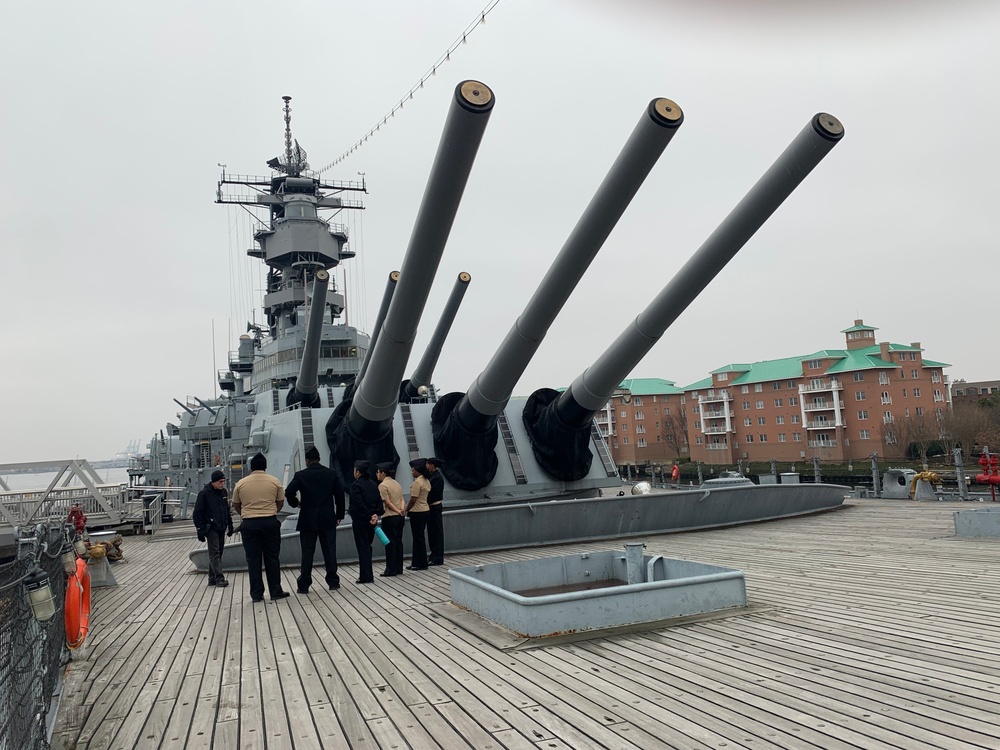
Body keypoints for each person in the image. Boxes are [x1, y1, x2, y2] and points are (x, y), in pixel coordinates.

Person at [285, 445, 345, 594]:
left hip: (307, 519)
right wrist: (339, 516)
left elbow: (289, 492)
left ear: (307, 460)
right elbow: (339, 496)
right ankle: (333, 582)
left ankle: (304, 584)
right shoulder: (331, 474)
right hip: (327, 518)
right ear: (319, 459)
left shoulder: (300, 475)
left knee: (307, 553)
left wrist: (297, 504)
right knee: (330, 551)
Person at [232, 452, 289, 602]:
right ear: (265, 466)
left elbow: (236, 504)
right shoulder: (274, 482)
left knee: (253, 559)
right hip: (270, 522)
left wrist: (246, 514)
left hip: (249, 523)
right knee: (272, 558)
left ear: (251, 467)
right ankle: (276, 591)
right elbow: (280, 502)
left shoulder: (241, 484)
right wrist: (270, 511)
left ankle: (256, 594)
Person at [192, 469, 234, 587]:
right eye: (220, 482)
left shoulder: (223, 493)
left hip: (221, 526)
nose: (222, 484)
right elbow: (197, 513)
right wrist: (200, 529)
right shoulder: (204, 494)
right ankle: (219, 578)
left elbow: (226, 510)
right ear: (214, 482)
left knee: (219, 552)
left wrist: (230, 525)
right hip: (211, 528)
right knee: (214, 552)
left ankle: (212, 578)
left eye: (223, 481)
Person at [349, 460, 381, 584]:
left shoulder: (356, 486)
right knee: (368, 546)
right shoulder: (373, 484)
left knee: (363, 548)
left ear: (358, 472)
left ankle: (366, 576)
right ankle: (367, 574)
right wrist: (375, 515)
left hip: (360, 521)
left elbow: (358, 504)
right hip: (372, 521)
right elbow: (379, 501)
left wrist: (368, 515)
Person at [375, 462, 406, 577]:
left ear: (383, 473)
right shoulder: (397, 483)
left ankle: (390, 569)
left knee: (389, 543)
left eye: (378, 472)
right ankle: (399, 568)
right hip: (400, 517)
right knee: (398, 542)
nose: (377, 474)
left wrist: (397, 511)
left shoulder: (382, 486)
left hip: (389, 517)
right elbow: (402, 499)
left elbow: (387, 502)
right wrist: (401, 510)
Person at [405, 458, 431, 570]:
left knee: (418, 538)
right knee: (419, 537)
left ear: (417, 470)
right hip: (425, 509)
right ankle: (416, 561)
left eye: (413, 470)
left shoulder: (417, 483)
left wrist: (407, 509)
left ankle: (421, 563)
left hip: (417, 511)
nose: (412, 472)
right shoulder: (426, 481)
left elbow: (413, 499)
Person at [424, 457, 446, 566]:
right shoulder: (432, 476)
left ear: (432, 465)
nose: (426, 466)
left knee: (436, 532)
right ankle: (433, 555)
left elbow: (433, 494)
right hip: (430, 507)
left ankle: (437, 557)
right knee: (432, 532)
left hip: (434, 507)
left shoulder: (437, 478)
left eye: (428, 464)